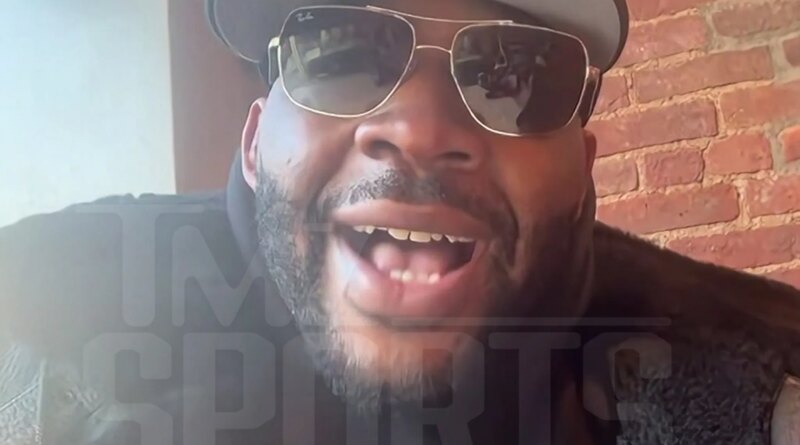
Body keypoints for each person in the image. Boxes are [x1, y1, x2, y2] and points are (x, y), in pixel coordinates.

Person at [1, 0, 799, 443]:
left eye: (515, 76)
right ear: (253, 143)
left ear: (582, 169)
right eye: (339, 54)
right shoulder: (41, 355)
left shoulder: (755, 397)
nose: (420, 129)